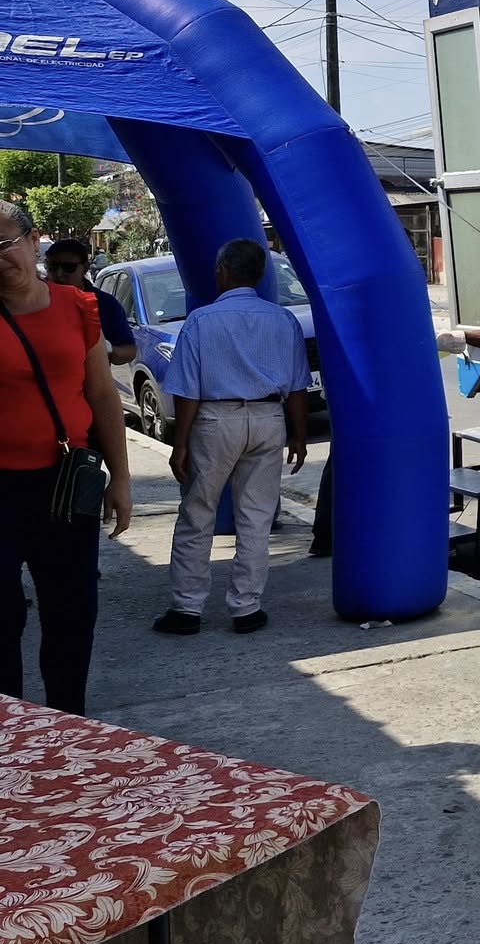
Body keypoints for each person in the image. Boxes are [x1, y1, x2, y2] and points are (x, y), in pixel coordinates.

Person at [0, 200, 132, 712]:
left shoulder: (76, 307)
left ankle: (67, 723)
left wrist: (121, 479)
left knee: (71, 613)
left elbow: (102, 396)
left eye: (4, 244)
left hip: (66, 482)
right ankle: (12, 733)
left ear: (34, 242)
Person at [156, 239, 309, 636]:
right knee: (256, 517)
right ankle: (246, 608)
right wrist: (298, 435)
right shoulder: (284, 320)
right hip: (269, 418)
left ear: (223, 271)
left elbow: (187, 390)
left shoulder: (201, 321)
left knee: (198, 513)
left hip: (216, 420)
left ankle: (187, 609)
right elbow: (297, 386)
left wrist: (181, 443)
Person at [43, 238, 137, 365]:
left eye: (68, 268)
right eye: (53, 267)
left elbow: (129, 351)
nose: (59, 274)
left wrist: (105, 349)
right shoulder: (34, 301)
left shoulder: (105, 304)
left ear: (85, 268)